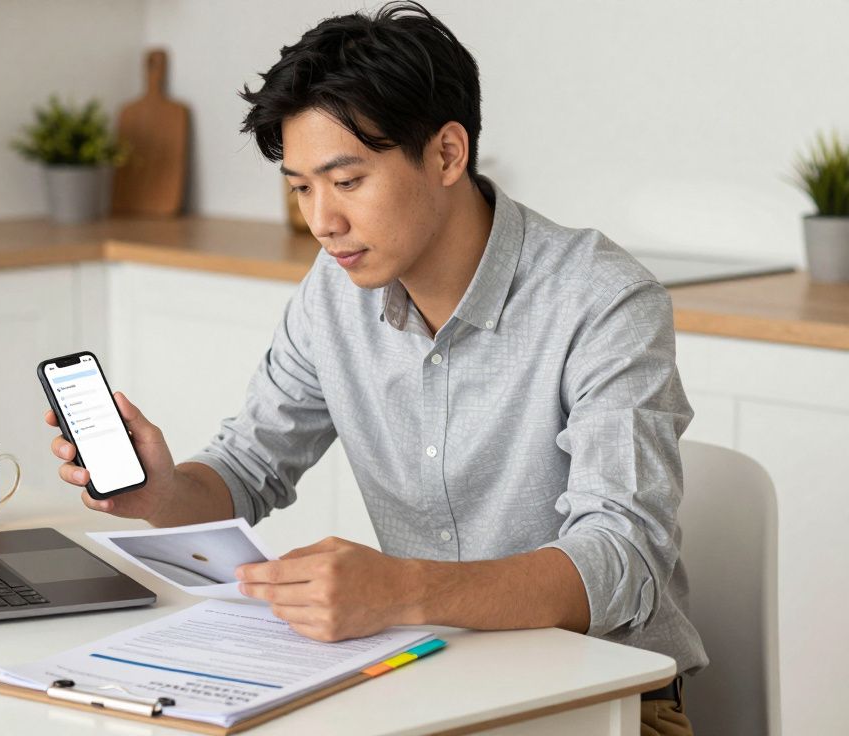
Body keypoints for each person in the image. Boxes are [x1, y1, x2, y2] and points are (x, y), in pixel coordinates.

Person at [43, 3, 703, 733]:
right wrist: (162, 492)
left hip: (603, 705)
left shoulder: (603, 301)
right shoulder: (334, 293)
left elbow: (621, 559)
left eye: (347, 180)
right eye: (301, 187)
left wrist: (400, 590)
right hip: (430, 683)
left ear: (448, 154)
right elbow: (249, 468)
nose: (321, 221)